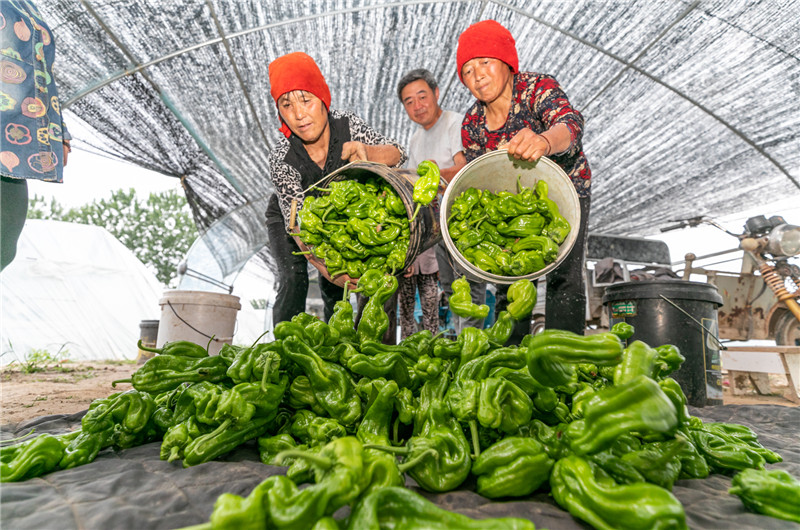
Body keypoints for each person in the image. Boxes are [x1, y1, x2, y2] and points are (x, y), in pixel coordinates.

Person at [456, 20, 592, 336]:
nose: (477, 75)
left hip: (566, 191)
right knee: (513, 279)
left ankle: (565, 353)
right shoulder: (472, 123)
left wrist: (544, 141)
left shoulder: (535, 89)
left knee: (565, 275)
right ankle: (511, 354)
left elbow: (569, 124)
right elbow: (481, 178)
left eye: (485, 62)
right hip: (513, 206)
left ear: (506, 62)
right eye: (467, 71)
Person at [265, 51, 406, 327]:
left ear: (322, 99)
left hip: (337, 215)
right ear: (280, 112)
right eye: (287, 105)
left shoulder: (347, 125)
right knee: (294, 279)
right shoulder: (282, 158)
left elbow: (399, 153)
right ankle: (284, 348)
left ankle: (337, 349)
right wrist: (333, 272)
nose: (299, 114)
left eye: (305, 100)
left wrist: (368, 152)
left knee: (337, 294)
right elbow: (298, 227)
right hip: (292, 219)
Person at [396, 68, 487, 336]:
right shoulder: (415, 139)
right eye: (409, 101)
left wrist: (435, 175)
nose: (417, 106)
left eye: (422, 96)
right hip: (438, 226)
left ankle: (470, 348)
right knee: (449, 286)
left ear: (436, 93)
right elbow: (415, 186)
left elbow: (467, 167)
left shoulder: (454, 123)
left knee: (469, 287)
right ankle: (462, 345)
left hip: (464, 220)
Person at [1, 0, 71, 271]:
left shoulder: (26, 5)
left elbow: (43, 68)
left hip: (15, 134)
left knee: (4, 245)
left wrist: (58, 131)